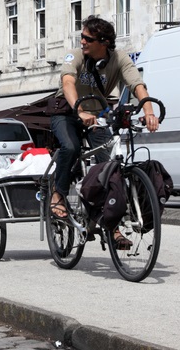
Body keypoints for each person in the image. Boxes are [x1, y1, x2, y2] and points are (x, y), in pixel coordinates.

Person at [49, 16, 159, 245]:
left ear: (104, 42)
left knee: (111, 166)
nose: (82, 42)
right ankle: (58, 195)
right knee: (71, 147)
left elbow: (137, 84)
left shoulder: (119, 59)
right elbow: (68, 83)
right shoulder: (75, 55)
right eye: (82, 37)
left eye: (87, 38)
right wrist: (79, 111)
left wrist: (148, 110)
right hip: (67, 113)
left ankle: (113, 226)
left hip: (97, 115)